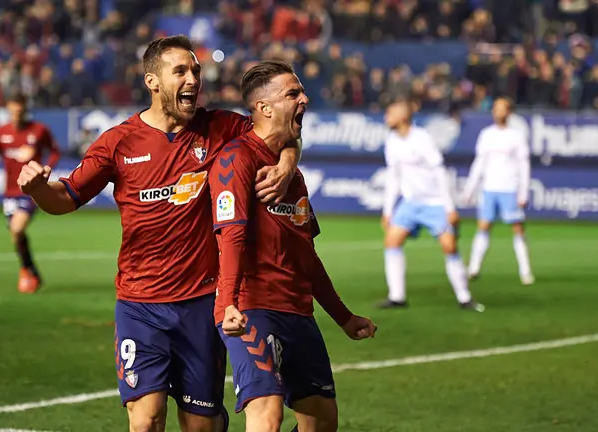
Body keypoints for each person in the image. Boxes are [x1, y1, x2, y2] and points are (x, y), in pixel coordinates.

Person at [17, 35, 300, 432]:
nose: (193, 79)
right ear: (152, 81)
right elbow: (66, 197)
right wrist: (37, 190)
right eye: (180, 71)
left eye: (196, 71)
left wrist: (286, 165)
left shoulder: (220, 127)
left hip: (202, 303)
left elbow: (280, 131)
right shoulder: (119, 142)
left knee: (200, 425)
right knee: (145, 420)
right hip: (140, 305)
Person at [210, 60, 376, 432]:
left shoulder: (292, 176)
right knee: (267, 414)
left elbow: (306, 255)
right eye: (293, 93)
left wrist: (343, 316)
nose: (305, 98)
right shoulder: (235, 158)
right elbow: (230, 235)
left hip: (298, 313)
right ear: (264, 108)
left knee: (321, 422)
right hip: (252, 308)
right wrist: (228, 303)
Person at [379, 100, 484, 312]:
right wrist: (388, 210)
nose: (386, 117)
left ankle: (464, 298)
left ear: (402, 116)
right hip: (410, 203)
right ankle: (397, 297)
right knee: (392, 242)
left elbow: (440, 172)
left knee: (449, 246)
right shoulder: (392, 141)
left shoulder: (422, 139)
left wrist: (449, 207)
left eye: (390, 113)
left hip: (435, 203)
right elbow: (394, 177)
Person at [0, 93, 61, 293]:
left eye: (20, 110)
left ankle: (27, 271)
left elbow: (55, 151)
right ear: (8, 110)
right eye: (13, 111)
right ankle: (30, 271)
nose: (16, 115)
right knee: (16, 236)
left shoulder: (39, 130)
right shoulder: (1, 132)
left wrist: (44, 168)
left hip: (31, 190)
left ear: (25, 110)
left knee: (17, 229)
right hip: (9, 192)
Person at [462, 97, 534, 285]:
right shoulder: (486, 135)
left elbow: (523, 165)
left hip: (509, 188)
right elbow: (479, 163)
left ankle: (525, 271)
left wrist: (523, 192)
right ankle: (474, 268)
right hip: (489, 188)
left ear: (509, 112)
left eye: (502, 109)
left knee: (517, 228)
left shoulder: (516, 136)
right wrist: (470, 188)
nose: (498, 112)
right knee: (484, 226)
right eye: (496, 108)